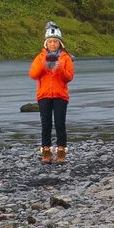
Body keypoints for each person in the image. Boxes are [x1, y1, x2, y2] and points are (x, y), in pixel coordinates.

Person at [29, 24, 74, 164]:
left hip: (61, 95)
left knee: (60, 124)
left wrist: (60, 69)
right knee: (46, 125)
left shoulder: (65, 58)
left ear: (59, 42)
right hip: (44, 95)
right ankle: (46, 153)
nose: (52, 44)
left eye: (55, 41)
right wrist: (43, 64)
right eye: (50, 41)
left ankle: (61, 152)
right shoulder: (40, 57)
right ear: (46, 43)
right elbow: (33, 75)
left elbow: (69, 77)